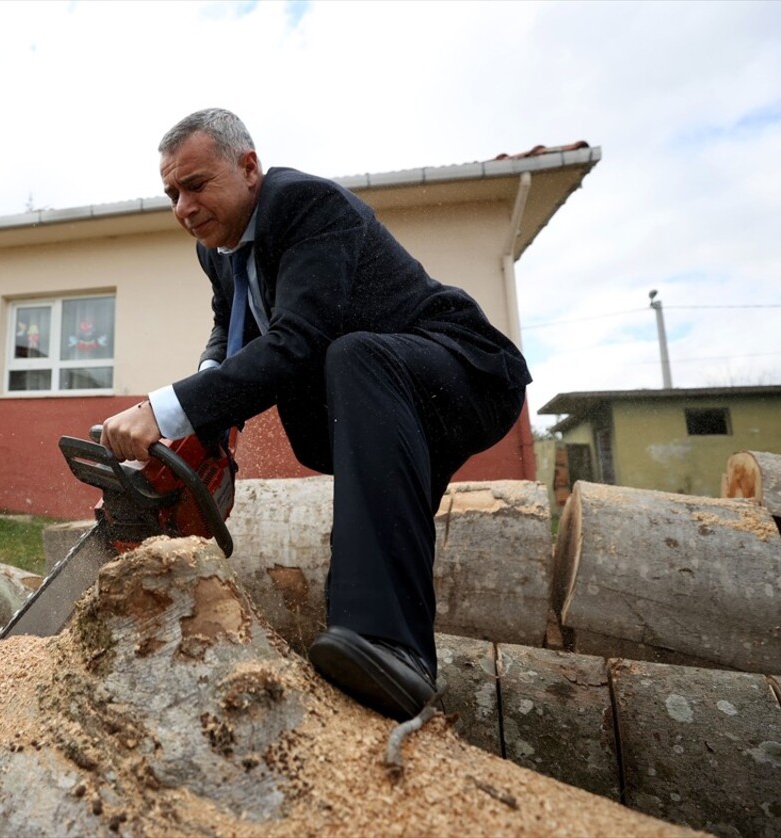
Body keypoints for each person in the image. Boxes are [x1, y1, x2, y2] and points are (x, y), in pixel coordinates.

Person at [99, 108, 530, 721]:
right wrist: (203, 420)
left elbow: (298, 339)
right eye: (172, 193)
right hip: (373, 402)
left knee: (348, 354)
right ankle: (380, 656)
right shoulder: (218, 248)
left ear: (249, 167)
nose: (183, 207)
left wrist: (165, 409)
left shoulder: (305, 205)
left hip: (465, 371)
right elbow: (233, 327)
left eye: (196, 185)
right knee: (379, 487)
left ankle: (389, 645)